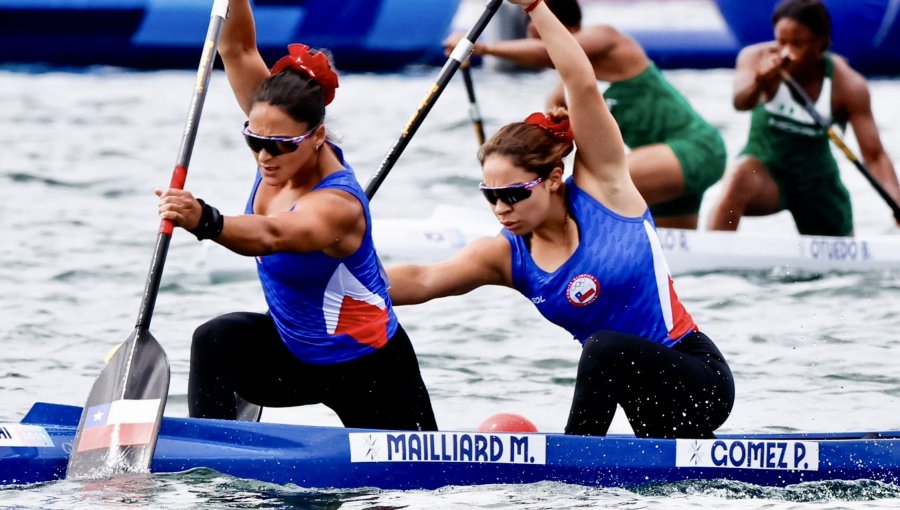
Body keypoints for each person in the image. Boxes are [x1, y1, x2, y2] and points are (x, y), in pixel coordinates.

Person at [391, 0, 734, 438]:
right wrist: (329, 279)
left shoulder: (605, 190)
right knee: (606, 355)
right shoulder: (504, 254)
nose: (501, 208)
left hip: (698, 379)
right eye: (491, 196)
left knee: (602, 348)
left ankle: (571, 469)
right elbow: (421, 281)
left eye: (513, 193)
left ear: (553, 178)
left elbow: (581, 83)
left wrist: (535, 7)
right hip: (641, 402)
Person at [155, 0, 437, 431]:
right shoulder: (276, 128)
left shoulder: (337, 206)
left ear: (317, 135)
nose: (265, 155)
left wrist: (206, 220)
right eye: (254, 140)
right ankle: (215, 453)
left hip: (369, 369)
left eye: (280, 145)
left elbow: (272, 234)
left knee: (400, 496)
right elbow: (238, 50)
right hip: (290, 356)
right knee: (216, 339)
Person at [446, 0, 726, 229]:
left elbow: (547, 53)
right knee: (669, 251)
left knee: (589, 190)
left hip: (696, 149)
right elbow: (556, 155)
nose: (534, 45)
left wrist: (482, 48)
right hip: (660, 164)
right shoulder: (561, 95)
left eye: (538, 35)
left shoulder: (606, 38)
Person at [709, 0, 900, 236]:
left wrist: (896, 201)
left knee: (837, 260)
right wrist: (761, 81)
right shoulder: (755, 58)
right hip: (766, 173)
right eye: (781, 41)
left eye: (798, 43)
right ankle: (715, 242)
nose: (787, 52)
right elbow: (741, 102)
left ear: (822, 43)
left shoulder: (848, 85)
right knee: (740, 176)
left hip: (817, 183)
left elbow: (875, 156)